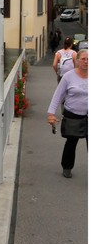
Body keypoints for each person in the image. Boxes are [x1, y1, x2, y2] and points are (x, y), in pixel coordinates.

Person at [47, 49, 88, 178]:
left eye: (88, 59)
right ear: (77, 61)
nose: (86, 62)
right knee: (71, 142)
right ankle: (67, 167)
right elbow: (58, 96)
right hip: (73, 114)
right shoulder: (68, 76)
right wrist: (51, 114)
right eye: (83, 59)